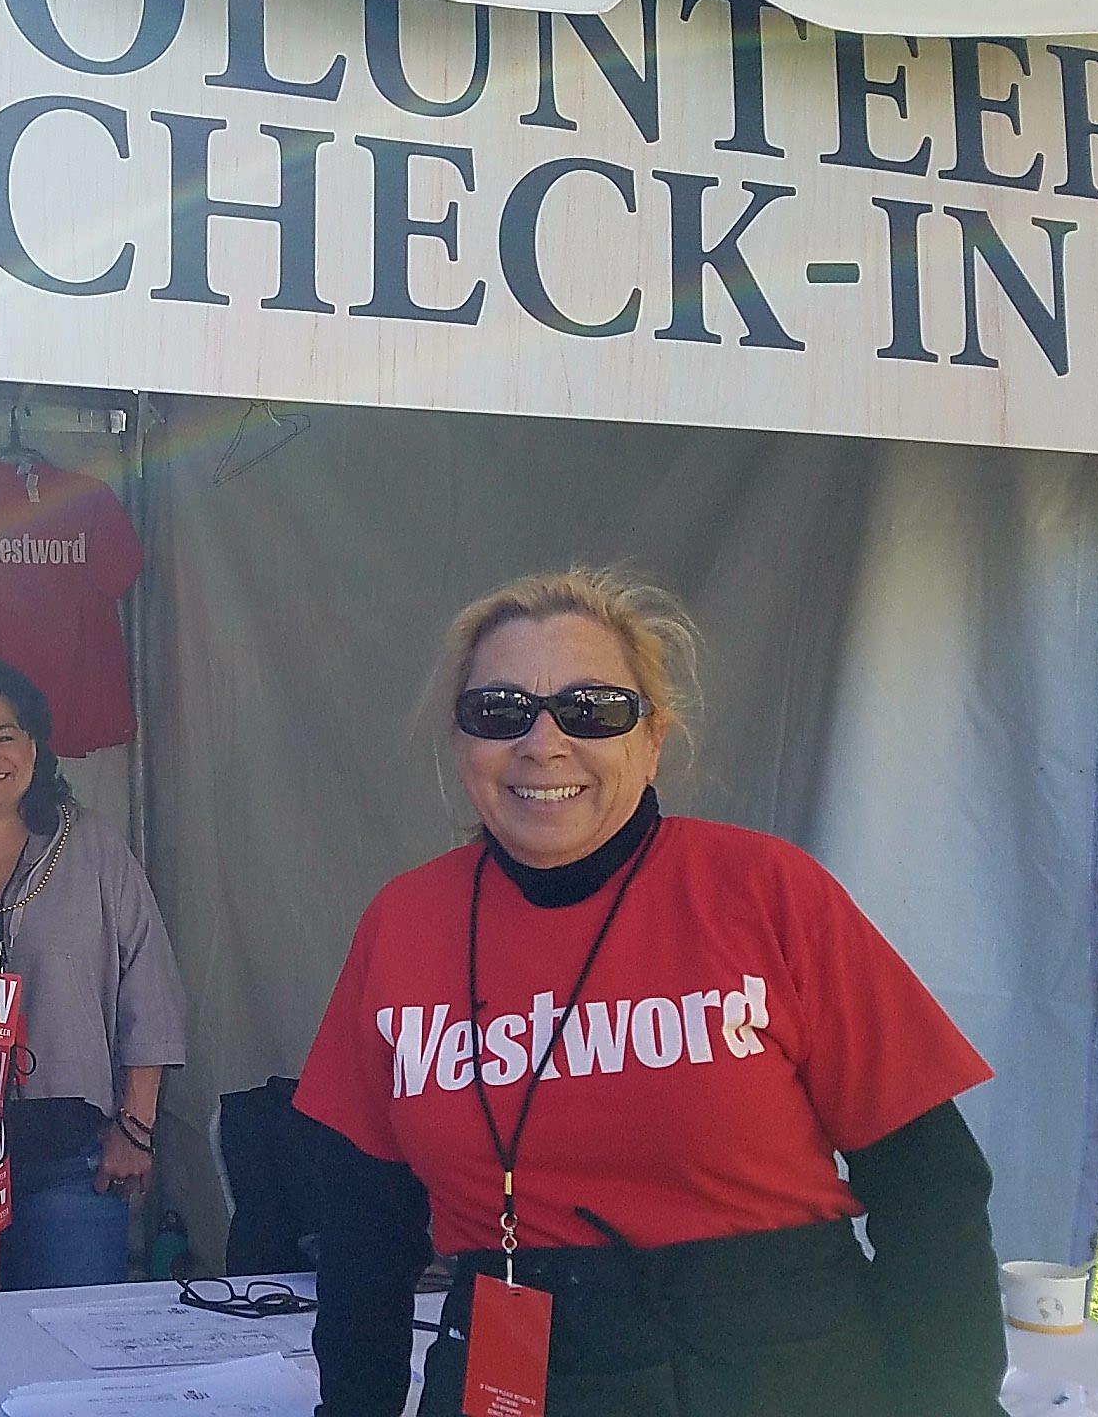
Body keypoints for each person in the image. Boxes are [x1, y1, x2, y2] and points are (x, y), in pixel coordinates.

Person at [295, 570, 1005, 1417]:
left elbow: (931, 1185)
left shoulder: (766, 891)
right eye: (500, 712)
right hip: (512, 1368)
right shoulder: (402, 922)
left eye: (591, 710)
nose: (543, 743)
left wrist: (954, 1402)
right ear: (460, 745)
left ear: (653, 739)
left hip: (783, 1369)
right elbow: (362, 1236)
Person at [0, 656, 187, 1292]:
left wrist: (136, 1128)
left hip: (73, 1151)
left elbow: (149, 989)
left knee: (73, 1350)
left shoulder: (94, 847)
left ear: (36, 748)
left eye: (5, 734)